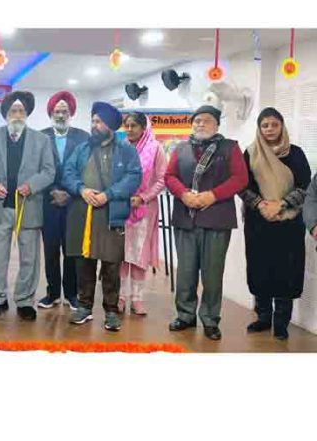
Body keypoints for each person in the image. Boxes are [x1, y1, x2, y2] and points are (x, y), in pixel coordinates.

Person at [164, 105, 248, 341]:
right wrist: (184, 194)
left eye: (207, 120)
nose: (200, 124)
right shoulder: (180, 149)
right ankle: (185, 315)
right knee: (186, 272)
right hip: (185, 217)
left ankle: (210, 319)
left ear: (217, 124)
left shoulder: (230, 148)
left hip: (217, 218)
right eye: (197, 120)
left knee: (212, 273)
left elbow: (240, 178)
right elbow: (169, 176)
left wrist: (212, 195)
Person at [63, 101, 141, 332]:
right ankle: (84, 307)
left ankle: (110, 311)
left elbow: (133, 177)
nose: (93, 125)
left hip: (110, 214)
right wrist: (81, 189)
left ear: (109, 126)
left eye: (98, 122)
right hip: (83, 212)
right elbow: (67, 172)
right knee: (84, 262)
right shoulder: (83, 148)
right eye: (93, 121)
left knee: (110, 265)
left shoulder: (126, 150)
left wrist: (109, 195)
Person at [0, 91, 55, 321]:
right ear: (6, 114)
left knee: (30, 258)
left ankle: (24, 300)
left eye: (22, 111)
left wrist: (31, 185)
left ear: (27, 114)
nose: (18, 115)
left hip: (28, 206)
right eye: (13, 111)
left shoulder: (42, 140)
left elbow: (49, 171)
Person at [241, 108, 310, 340]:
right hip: (258, 223)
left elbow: (305, 187)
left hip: (288, 225)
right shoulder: (250, 153)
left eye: (274, 124)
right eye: (265, 125)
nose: (269, 129)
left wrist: (280, 204)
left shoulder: (296, 154)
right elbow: (243, 185)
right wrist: (261, 205)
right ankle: (263, 318)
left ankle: (281, 323)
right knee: (261, 270)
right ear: (259, 129)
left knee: (286, 272)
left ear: (282, 126)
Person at [37, 91, 89, 311]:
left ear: (71, 113)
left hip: (74, 201)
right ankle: (52, 293)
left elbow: (87, 169)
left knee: (71, 250)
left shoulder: (83, 137)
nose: (60, 114)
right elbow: (36, 168)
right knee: (50, 249)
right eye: (56, 111)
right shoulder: (40, 137)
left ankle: (71, 293)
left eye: (64, 111)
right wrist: (52, 191)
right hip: (48, 202)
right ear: (50, 112)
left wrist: (70, 192)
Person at [118, 112, 167, 315]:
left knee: (139, 254)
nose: (129, 129)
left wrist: (144, 197)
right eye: (126, 126)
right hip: (121, 207)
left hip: (145, 208)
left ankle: (137, 299)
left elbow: (163, 179)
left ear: (143, 127)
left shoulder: (155, 148)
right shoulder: (119, 148)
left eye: (134, 126)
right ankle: (120, 297)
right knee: (121, 254)